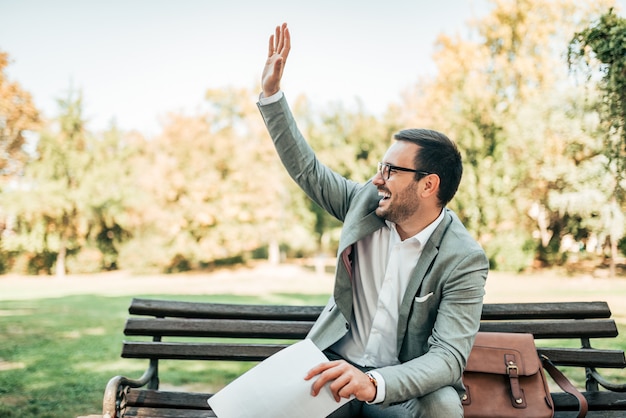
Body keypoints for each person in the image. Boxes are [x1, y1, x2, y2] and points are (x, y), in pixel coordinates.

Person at [257, 23, 489, 418]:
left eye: (391, 170)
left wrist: (376, 384)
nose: (377, 178)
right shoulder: (363, 204)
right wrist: (271, 95)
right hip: (334, 373)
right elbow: (307, 170)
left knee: (444, 407)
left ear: (428, 185)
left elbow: (449, 357)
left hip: (400, 386)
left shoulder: (464, 258)